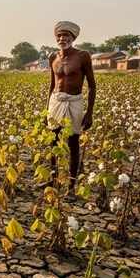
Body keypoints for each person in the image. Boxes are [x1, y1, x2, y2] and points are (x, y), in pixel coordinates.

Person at [46, 21, 96, 192]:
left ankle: (71, 184)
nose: (62, 38)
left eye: (66, 35)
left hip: (74, 101)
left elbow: (91, 85)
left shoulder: (83, 56)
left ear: (73, 37)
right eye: (59, 35)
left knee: (73, 141)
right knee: (53, 141)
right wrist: (47, 109)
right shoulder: (53, 57)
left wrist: (89, 113)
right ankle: (52, 181)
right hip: (56, 101)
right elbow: (52, 85)